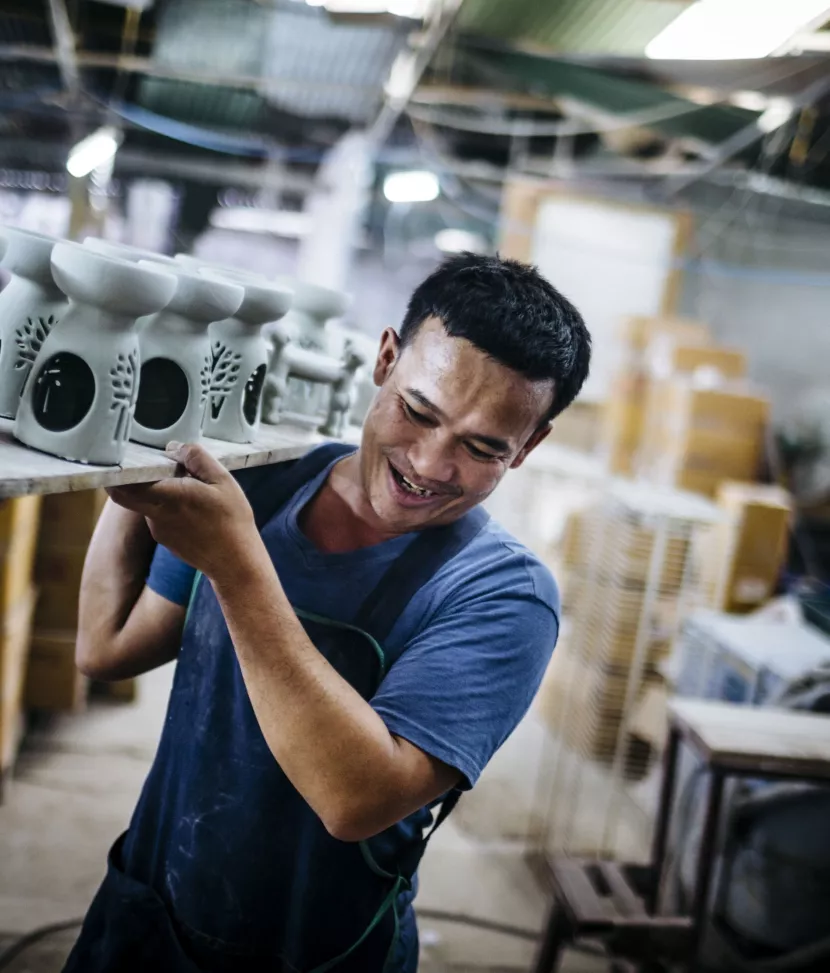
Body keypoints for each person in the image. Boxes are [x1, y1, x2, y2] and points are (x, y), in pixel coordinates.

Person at [65, 252, 590, 973]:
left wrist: (238, 565)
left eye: (480, 448)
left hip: (318, 955)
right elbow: (106, 646)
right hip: (149, 917)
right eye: (418, 411)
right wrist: (143, 445)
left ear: (529, 445)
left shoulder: (502, 595)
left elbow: (355, 799)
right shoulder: (264, 481)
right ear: (385, 359)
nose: (429, 464)